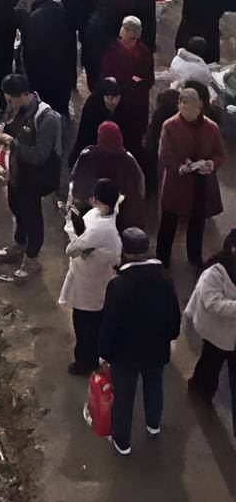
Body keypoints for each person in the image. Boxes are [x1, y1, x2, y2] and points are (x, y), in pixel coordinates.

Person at [99, 226, 182, 455]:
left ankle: (122, 442)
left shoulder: (117, 284)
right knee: (154, 386)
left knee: (124, 397)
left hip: (124, 355)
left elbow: (109, 323)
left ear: (124, 252)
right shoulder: (164, 278)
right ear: (147, 249)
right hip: (156, 349)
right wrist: (171, 336)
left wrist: (104, 353)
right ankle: (153, 424)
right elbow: (174, 314)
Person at [0, 73, 62, 280]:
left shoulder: (47, 118)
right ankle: (20, 243)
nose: (9, 104)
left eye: (11, 99)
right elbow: (15, 129)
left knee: (33, 217)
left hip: (34, 178)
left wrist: (10, 141)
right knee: (16, 207)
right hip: (18, 173)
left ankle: (32, 260)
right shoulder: (21, 108)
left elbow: (40, 155)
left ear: (24, 94)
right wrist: (2, 130)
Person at [156, 83, 226, 270]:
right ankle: (162, 259)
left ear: (199, 105)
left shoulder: (211, 128)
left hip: (202, 183)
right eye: (182, 106)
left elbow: (220, 153)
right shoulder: (169, 126)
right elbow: (165, 154)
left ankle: (195, 259)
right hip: (177, 183)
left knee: (197, 224)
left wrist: (211, 164)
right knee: (169, 222)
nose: (185, 111)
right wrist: (180, 167)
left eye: (189, 107)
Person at [58, 177, 122, 374]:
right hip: (96, 278)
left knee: (85, 324)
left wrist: (71, 221)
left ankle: (85, 362)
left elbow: (71, 249)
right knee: (93, 322)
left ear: (96, 199)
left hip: (89, 283)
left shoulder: (101, 228)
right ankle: (92, 357)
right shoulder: (104, 215)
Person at [184, 228, 236, 432]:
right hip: (217, 331)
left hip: (229, 333)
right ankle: (200, 391)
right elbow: (213, 303)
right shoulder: (215, 271)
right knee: (211, 363)